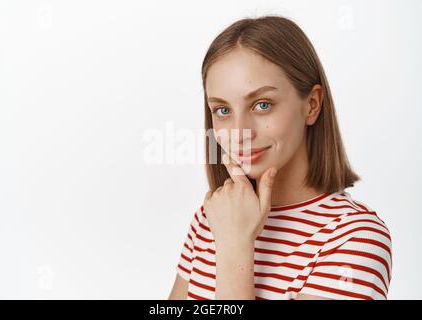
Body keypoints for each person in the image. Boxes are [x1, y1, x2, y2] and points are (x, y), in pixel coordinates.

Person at [168, 15, 392, 300]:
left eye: (262, 105)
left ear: (312, 105)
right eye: (223, 110)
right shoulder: (212, 217)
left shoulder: (355, 237)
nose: (239, 133)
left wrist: (235, 246)